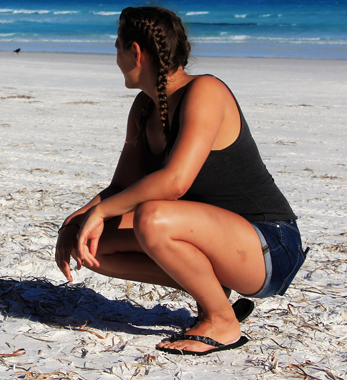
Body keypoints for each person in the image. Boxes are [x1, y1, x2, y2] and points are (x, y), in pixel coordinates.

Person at [54, 6, 306, 356]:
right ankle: (213, 292)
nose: (114, 57)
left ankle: (223, 322)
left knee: (152, 217)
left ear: (135, 51)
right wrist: (77, 220)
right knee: (92, 244)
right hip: (219, 243)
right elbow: (120, 188)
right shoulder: (143, 108)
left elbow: (175, 182)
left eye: (116, 46)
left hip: (270, 245)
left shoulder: (205, 91)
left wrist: (100, 213)